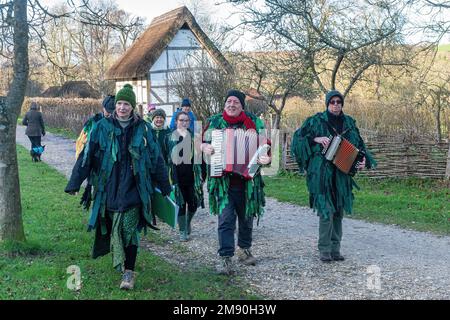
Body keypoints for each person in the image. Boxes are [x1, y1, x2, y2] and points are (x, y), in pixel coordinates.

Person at [64, 84, 171, 290]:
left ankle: (129, 273)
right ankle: (121, 260)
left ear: (132, 107)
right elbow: (86, 158)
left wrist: (165, 186)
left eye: (126, 104)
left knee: (129, 229)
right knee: (116, 229)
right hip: (109, 188)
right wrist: (74, 183)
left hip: (134, 187)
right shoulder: (101, 127)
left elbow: (156, 158)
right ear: (115, 105)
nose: (122, 107)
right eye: (120, 103)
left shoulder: (143, 129)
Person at [291, 90, 376, 263]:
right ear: (327, 104)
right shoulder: (315, 121)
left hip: (342, 174)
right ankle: (324, 249)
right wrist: (315, 139)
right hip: (321, 173)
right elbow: (297, 139)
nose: (336, 104)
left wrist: (363, 160)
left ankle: (335, 249)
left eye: (339, 102)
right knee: (326, 209)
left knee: (338, 210)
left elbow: (360, 146)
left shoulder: (349, 123)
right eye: (332, 102)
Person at [201, 89, 271, 275]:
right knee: (225, 220)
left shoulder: (254, 122)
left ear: (242, 105)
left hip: (248, 182)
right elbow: (201, 142)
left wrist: (266, 158)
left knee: (247, 218)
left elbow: (267, 146)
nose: (231, 105)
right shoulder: (215, 122)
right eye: (228, 102)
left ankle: (244, 249)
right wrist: (205, 146)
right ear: (224, 104)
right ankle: (225, 258)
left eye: (236, 102)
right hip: (223, 181)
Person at [167, 111, 205, 242]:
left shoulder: (195, 138)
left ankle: (188, 222)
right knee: (181, 204)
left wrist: (202, 176)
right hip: (177, 177)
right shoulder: (169, 137)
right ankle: (182, 230)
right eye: (181, 120)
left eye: (186, 120)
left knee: (194, 204)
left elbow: (201, 158)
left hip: (192, 177)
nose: (184, 123)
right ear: (176, 121)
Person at [74, 95, 116, 210]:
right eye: (108, 111)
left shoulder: (118, 123)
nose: (110, 114)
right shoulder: (93, 123)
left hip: (113, 165)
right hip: (96, 165)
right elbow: (82, 143)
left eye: (112, 111)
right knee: (98, 192)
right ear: (103, 108)